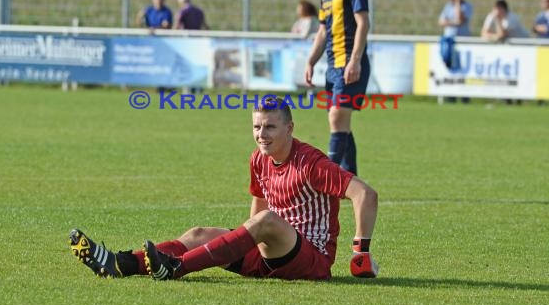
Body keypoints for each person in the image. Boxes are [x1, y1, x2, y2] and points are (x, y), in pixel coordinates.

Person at [69, 97, 379, 281]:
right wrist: (241, 243)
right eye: (257, 126)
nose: (262, 134)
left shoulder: (311, 162)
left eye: (270, 126)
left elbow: (365, 194)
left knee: (267, 221)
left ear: (289, 128)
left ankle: (176, 269)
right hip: (270, 252)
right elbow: (255, 215)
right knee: (199, 233)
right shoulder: (259, 159)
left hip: (312, 259)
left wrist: (360, 251)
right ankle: (120, 263)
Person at [304, 0, 370, 175]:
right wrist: (311, 60)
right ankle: (350, 177)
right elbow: (322, 31)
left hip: (349, 65)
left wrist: (355, 60)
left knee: (336, 117)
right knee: (341, 121)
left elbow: (363, 23)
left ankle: (328, 177)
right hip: (333, 67)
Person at [438, 0, 473, 104]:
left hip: (463, 42)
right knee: (450, 69)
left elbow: (460, 20)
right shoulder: (448, 6)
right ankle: (450, 95)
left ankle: (464, 96)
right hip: (449, 41)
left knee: (463, 70)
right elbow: (441, 22)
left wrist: (458, 4)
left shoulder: (466, 6)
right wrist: (453, 22)